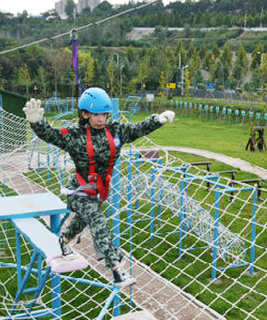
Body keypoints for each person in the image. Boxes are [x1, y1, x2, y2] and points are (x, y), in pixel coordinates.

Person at [23, 87, 175, 287]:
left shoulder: (115, 131)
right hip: (79, 191)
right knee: (97, 220)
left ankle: (65, 240)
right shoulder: (75, 135)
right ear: (85, 114)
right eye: (96, 114)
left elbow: (138, 129)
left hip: (99, 191)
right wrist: (37, 123)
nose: (101, 119)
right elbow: (51, 135)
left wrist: (157, 120)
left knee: (82, 221)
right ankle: (117, 271)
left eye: (104, 114)